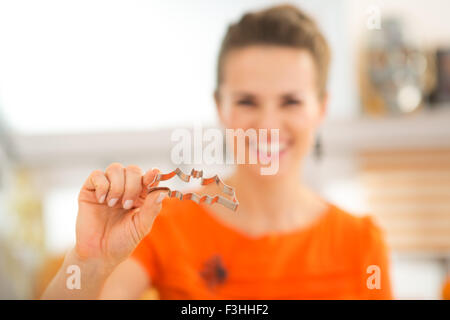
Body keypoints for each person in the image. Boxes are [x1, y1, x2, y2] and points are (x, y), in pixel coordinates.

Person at [42, 4, 392, 300]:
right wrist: (90, 262)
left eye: (291, 101)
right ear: (220, 107)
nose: (268, 123)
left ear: (321, 107)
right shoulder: (161, 224)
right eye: (246, 101)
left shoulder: (360, 244)